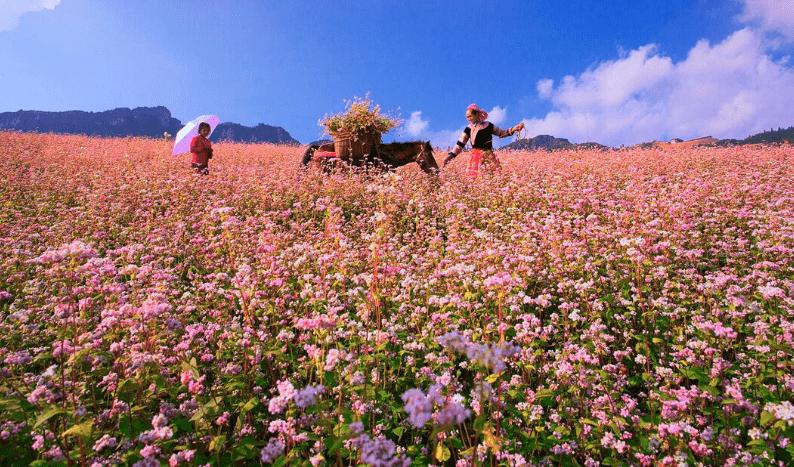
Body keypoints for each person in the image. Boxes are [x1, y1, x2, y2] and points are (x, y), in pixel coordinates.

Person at [443, 104, 524, 176]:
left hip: (489, 155)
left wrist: (514, 129)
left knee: (495, 177)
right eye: (467, 117)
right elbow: (460, 143)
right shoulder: (468, 128)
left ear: (477, 114)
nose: (468, 119)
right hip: (475, 155)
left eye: (470, 116)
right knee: (473, 180)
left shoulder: (488, 125)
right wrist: (451, 156)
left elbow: (501, 133)